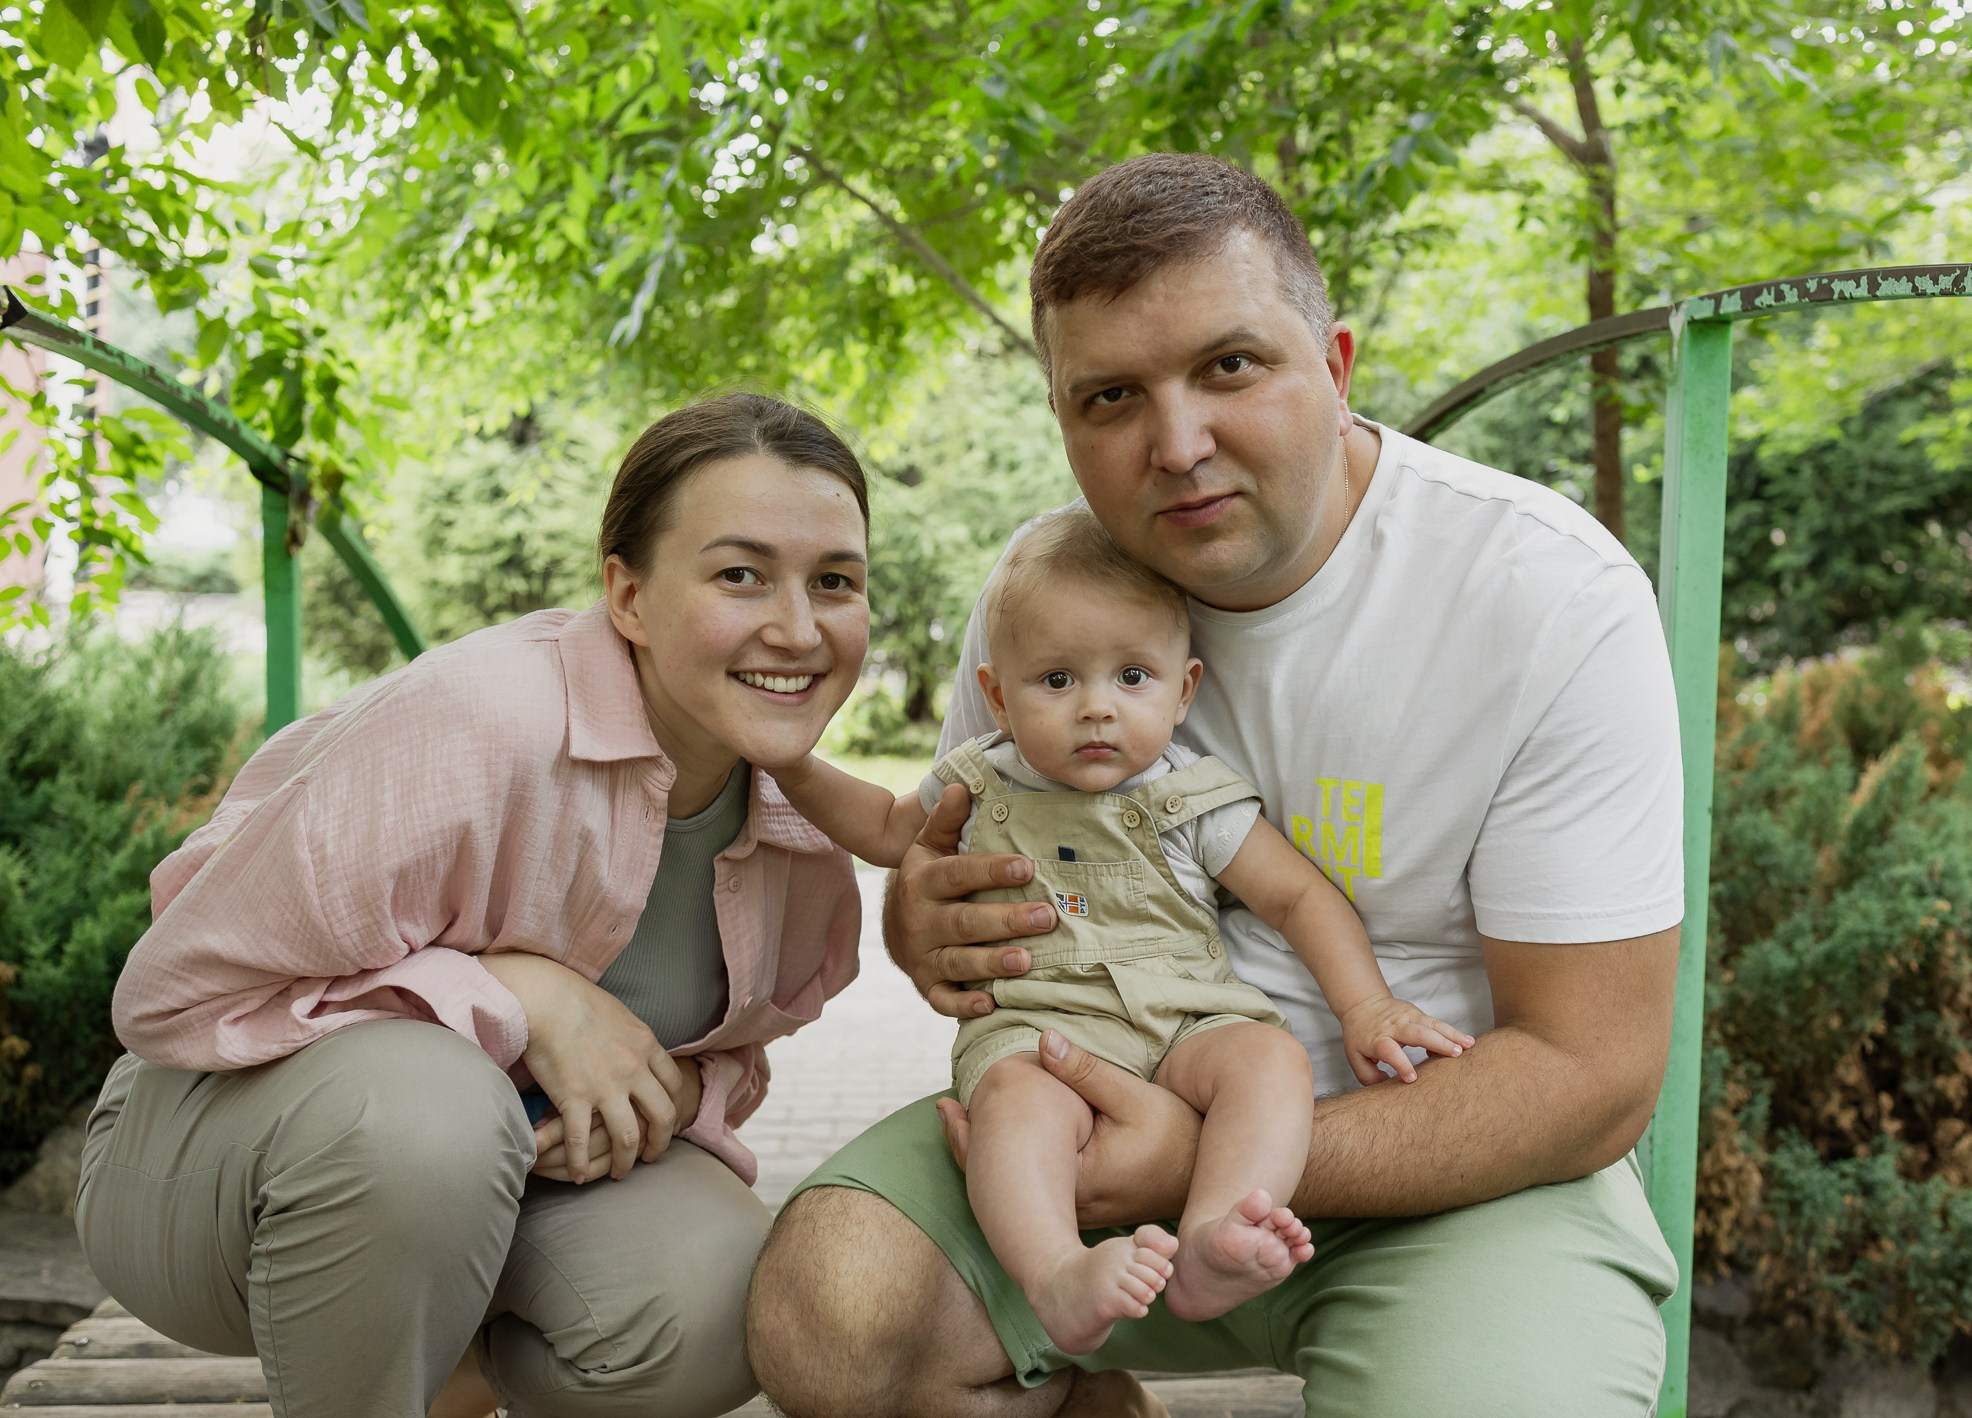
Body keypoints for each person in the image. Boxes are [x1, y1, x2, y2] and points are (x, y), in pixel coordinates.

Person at [747, 153, 1684, 1417]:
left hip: (1455, 1174)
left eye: (1229, 367)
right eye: (1111, 396)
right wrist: (923, 920)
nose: (1176, 444)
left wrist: (1192, 1161)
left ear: (1336, 365)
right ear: (1063, 420)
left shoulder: (1545, 596)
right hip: (1081, 1149)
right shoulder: (1049, 599)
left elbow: (1591, 1072)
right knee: (827, 1319)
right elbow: (942, 857)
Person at [75, 394, 873, 1418]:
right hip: (205, 1176)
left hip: (506, 1199)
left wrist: (669, 1092)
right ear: (626, 595)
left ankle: (447, 1372)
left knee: (725, 1298)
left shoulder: (799, 827)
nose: (798, 627)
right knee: (429, 1117)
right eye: (739, 574)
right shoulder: (480, 720)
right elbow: (168, 995)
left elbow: (724, 1047)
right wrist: (513, 990)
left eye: (835, 582)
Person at [767, 504, 1472, 1354]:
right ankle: (1055, 1272)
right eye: (1058, 681)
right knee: (1015, 1107)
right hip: (1040, 1027)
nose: (1097, 709)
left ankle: (1219, 1232)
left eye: (1131, 678)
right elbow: (886, 826)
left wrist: (1366, 1009)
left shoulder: (1189, 797)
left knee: (1268, 1059)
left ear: (1185, 690)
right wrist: (789, 762)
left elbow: (1297, 898)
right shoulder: (983, 781)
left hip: (1185, 1016)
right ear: (997, 694)